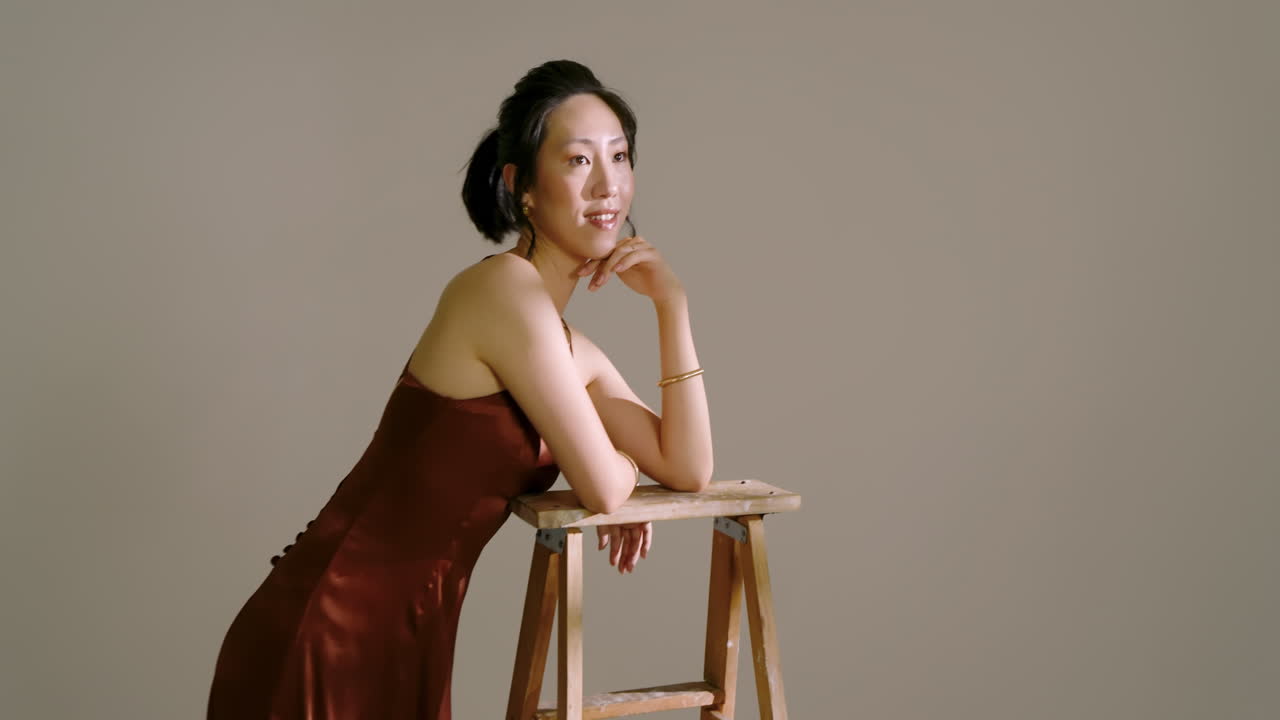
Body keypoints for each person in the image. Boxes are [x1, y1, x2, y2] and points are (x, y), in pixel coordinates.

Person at [205, 59, 713, 719]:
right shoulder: (503, 293)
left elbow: (689, 467)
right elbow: (608, 487)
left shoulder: (566, 349)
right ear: (521, 187)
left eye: (619, 157)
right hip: (327, 629)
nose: (608, 185)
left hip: (409, 637)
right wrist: (617, 465)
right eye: (578, 161)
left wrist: (671, 307)